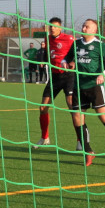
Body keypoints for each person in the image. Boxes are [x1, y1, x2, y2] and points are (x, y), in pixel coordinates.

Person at [70, 19, 105, 167]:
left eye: (87, 26)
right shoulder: (76, 43)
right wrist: (65, 62)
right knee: (77, 118)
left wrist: (104, 73)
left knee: (104, 117)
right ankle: (88, 151)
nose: (83, 27)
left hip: (95, 86)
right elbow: (68, 59)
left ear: (94, 30)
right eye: (83, 25)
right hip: (78, 86)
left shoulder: (100, 46)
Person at [35, 17, 78, 147]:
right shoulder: (47, 39)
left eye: (54, 26)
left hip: (69, 76)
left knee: (72, 106)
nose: (52, 28)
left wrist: (73, 62)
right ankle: (45, 138)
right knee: (43, 107)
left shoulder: (70, 39)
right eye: (50, 26)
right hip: (54, 77)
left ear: (60, 28)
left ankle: (80, 140)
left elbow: (79, 50)